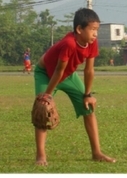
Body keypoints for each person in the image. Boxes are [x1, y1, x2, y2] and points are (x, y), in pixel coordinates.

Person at [33, 8, 115, 165]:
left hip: (68, 75)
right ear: (79, 29)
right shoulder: (69, 43)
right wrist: (46, 97)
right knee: (42, 112)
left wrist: (88, 94)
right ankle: (41, 156)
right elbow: (58, 71)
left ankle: (96, 153)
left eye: (96, 30)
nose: (95, 34)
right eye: (92, 30)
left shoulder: (91, 42)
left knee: (88, 108)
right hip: (46, 74)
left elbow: (89, 69)